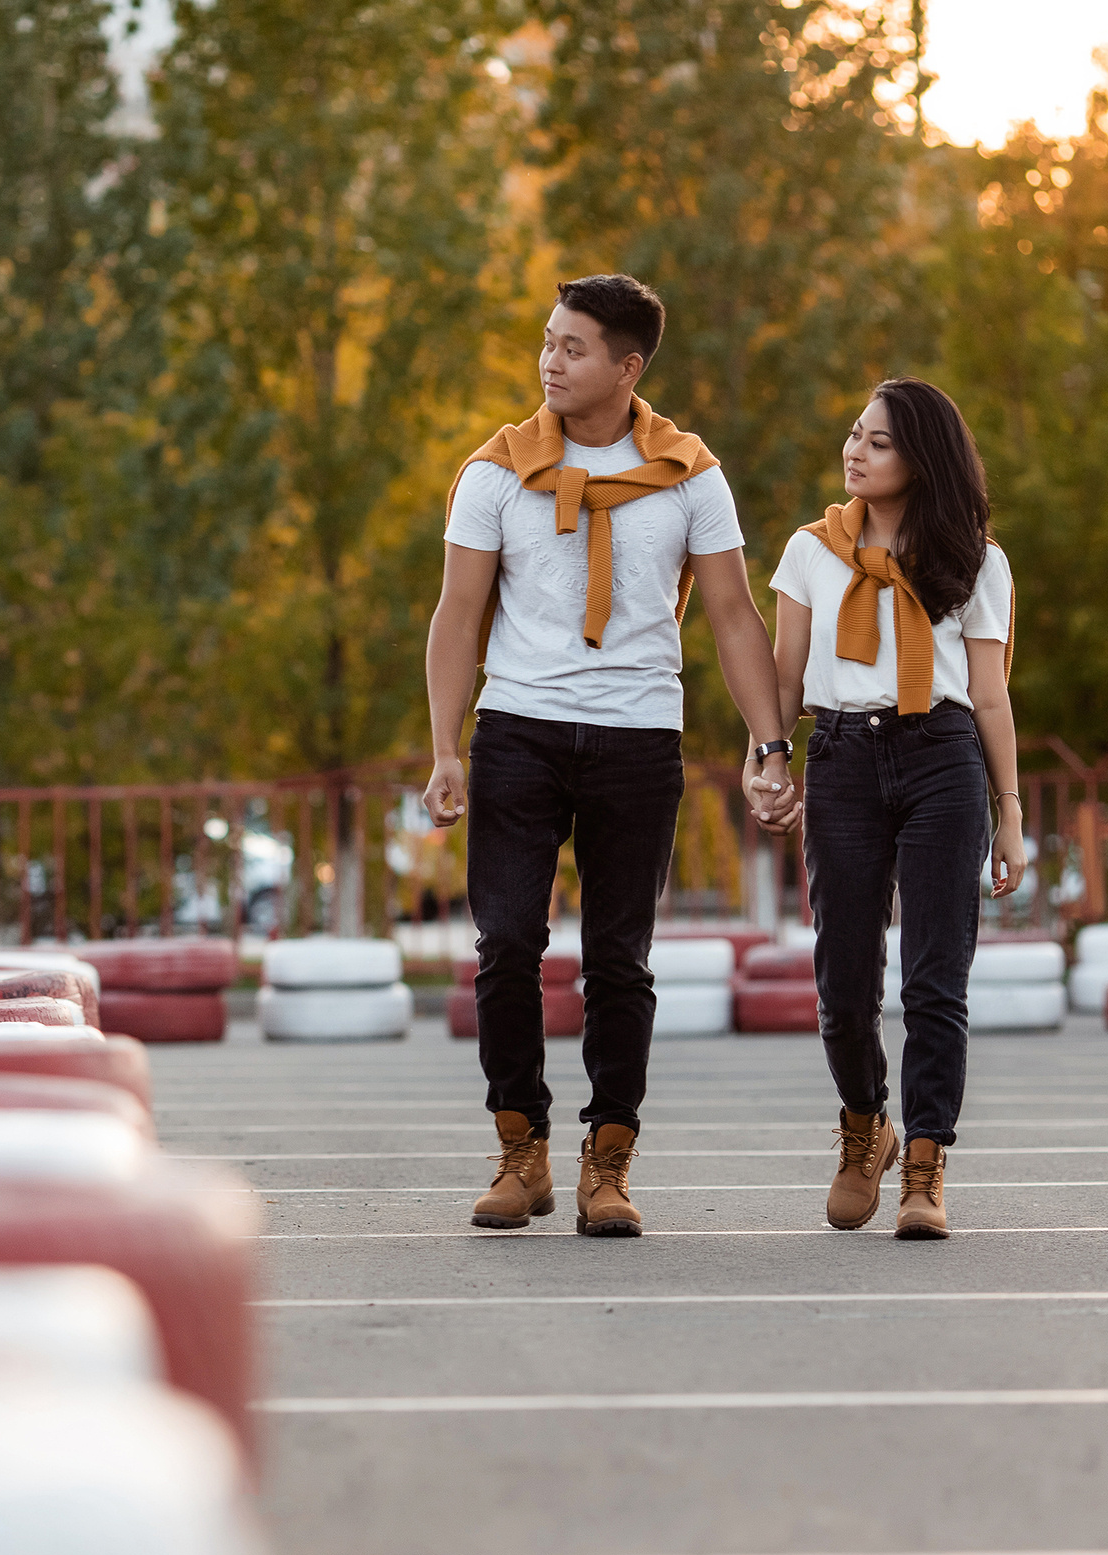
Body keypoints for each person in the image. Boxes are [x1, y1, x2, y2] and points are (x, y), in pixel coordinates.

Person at [423, 275, 794, 1237]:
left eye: (574, 347)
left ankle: (608, 1162)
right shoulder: (494, 472)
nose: (551, 361)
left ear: (627, 368)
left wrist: (771, 742)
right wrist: (444, 747)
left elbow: (730, 615)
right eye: (547, 342)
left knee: (618, 959)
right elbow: (457, 615)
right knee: (506, 943)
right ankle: (521, 1150)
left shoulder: (690, 476)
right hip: (517, 731)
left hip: (638, 736)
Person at [756, 376, 1025, 1240]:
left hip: (943, 758)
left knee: (936, 978)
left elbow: (989, 697)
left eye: (877, 441)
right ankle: (866, 1121)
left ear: (922, 459)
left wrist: (1010, 810)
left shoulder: (976, 560)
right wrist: (766, 758)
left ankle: (927, 1162)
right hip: (839, 756)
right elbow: (785, 675)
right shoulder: (809, 551)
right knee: (842, 983)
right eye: (853, 434)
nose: (854, 451)